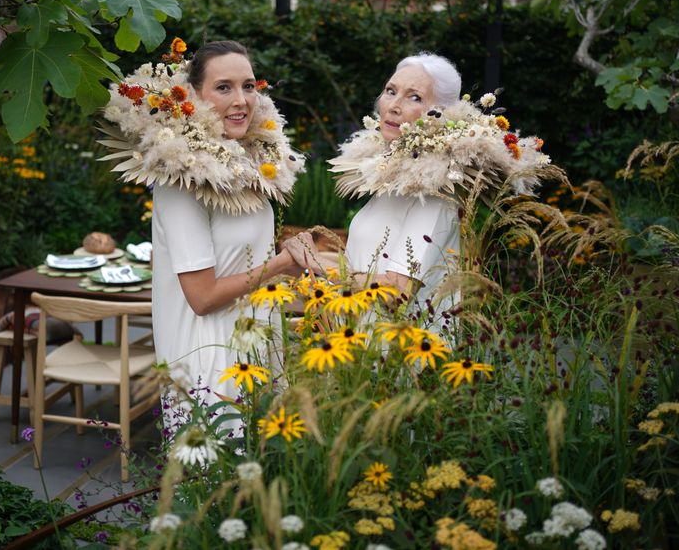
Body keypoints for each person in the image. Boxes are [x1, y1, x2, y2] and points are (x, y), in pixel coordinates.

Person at [99, 39, 310, 435]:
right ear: (195, 96)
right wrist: (281, 263)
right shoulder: (180, 180)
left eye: (249, 86)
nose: (242, 100)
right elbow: (202, 297)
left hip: (254, 341)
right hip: (207, 358)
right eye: (224, 87)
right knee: (214, 481)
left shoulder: (245, 163)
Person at [285, 53, 462, 320]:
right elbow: (365, 264)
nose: (394, 105)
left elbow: (397, 291)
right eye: (391, 91)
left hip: (402, 351)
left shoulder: (435, 193)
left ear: (442, 114)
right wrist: (303, 256)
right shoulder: (396, 182)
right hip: (361, 345)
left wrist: (317, 262)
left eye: (415, 97)